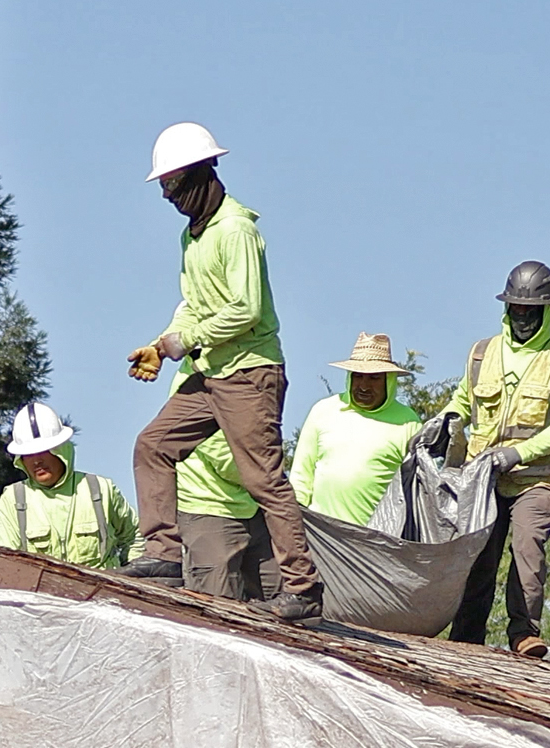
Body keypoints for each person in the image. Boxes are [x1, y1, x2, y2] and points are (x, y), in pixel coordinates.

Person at [116, 122, 322, 623]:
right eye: (162, 186)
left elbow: (246, 309)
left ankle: (302, 587)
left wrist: (185, 341)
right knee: (154, 445)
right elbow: (193, 304)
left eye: (172, 184)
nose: (167, 196)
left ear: (202, 174)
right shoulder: (193, 237)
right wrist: (163, 344)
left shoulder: (236, 231)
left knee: (263, 479)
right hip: (209, 372)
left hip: (249, 372)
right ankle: (164, 553)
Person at [445, 261, 550, 656]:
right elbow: (463, 401)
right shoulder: (482, 353)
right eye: (517, 309)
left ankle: (524, 633)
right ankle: (466, 639)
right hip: (483, 478)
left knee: (528, 551)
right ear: (506, 308)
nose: (523, 318)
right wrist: (445, 422)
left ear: (548, 311)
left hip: (536, 478)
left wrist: (517, 453)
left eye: (532, 311)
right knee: (477, 556)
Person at [292, 333, 422, 526]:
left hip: (380, 540)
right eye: (358, 376)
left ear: (389, 380)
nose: (364, 385)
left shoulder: (408, 423)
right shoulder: (323, 411)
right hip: (321, 535)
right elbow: (301, 476)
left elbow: (416, 492)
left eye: (374, 378)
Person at [0, 402, 136, 569]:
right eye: (29, 454)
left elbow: (134, 538)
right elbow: (6, 562)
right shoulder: (13, 498)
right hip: (40, 593)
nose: (37, 460)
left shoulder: (100, 488)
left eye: (44, 450)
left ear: (62, 449)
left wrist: (131, 579)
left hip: (103, 591)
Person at [174, 432, 280, 600]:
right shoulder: (208, 410)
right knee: (219, 601)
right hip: (209, 510)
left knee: (277, 596)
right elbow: (227, 462)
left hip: (255, 508)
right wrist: (277, 483)